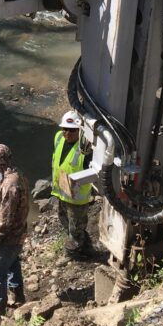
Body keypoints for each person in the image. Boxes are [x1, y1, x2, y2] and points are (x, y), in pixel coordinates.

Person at [0, 143, 29, 316]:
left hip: (9, 236)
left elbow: (5, 219)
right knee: (13, 263)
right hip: (19, 232)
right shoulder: (16, 175)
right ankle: (18, 297)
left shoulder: (9, 186)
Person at [51, 110, 93, 258]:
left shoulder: (86, 150)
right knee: (65, 221)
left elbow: (93, 174)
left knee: (75, 228)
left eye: (72, 130)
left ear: (80, 131)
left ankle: (73, 255)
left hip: (77, 198)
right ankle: (87, 247)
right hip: (61, 192)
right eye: (65, 129)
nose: (67, 133)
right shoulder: (58, 138)